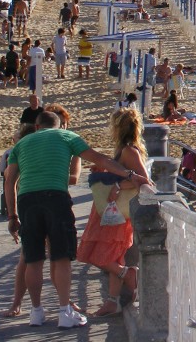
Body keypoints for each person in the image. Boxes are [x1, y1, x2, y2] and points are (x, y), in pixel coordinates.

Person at [4, 110, 151, 329]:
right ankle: (65, 312)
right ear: (59, 126)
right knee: (61, 258)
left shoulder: (20, 145)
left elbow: (10, 181)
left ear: (36, 127)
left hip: (27, 200)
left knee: (33, 260)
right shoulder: (67, 137)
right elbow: (99, 158)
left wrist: (12, 215)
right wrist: (130, 176)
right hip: (55, 198)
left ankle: (36, 312)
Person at [75, 108, 149, 317]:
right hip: (109, 210)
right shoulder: (124, 150)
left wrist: (117, 186)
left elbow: (144, 180)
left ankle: (128, 275)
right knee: (113, 255)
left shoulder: (129, 151)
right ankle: (112, 301)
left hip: (116, 212)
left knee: (97, 254)